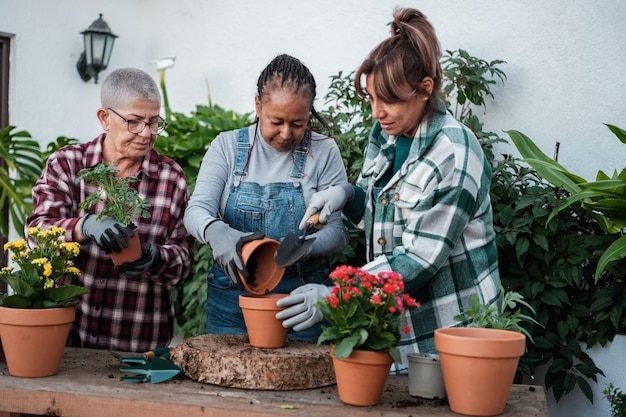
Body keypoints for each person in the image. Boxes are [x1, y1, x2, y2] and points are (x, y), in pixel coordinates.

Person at [280, 8, 502, 372]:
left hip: (455, 333)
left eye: (389, 100)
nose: (376, 113)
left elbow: (421, 257)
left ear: (425, 90)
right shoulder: (387, 134)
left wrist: (338, 295)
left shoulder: (455, 152)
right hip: (398, 332)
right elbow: (377, 209)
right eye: (370, 99)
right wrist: (346, 197)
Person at [27, 68, 194, 353]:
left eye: (154, 122)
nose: (146, 133)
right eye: (134, 122)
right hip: (68, 340)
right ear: (105, 118)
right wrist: (84, 227)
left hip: (138, 345)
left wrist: (154, 257)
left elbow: (183, 262)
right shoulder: (67, 164)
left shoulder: (171, 179)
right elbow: (37, 236)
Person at [184, 54, 349, 343]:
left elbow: (338, 233)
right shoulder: (227, 146)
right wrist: (216, 231)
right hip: (231, 297)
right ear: (258, 106)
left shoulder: (324, 151)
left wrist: (305, 247)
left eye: (298, 124)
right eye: (277, 121)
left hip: (301, 300)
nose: (286, 134)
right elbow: (196, 209)